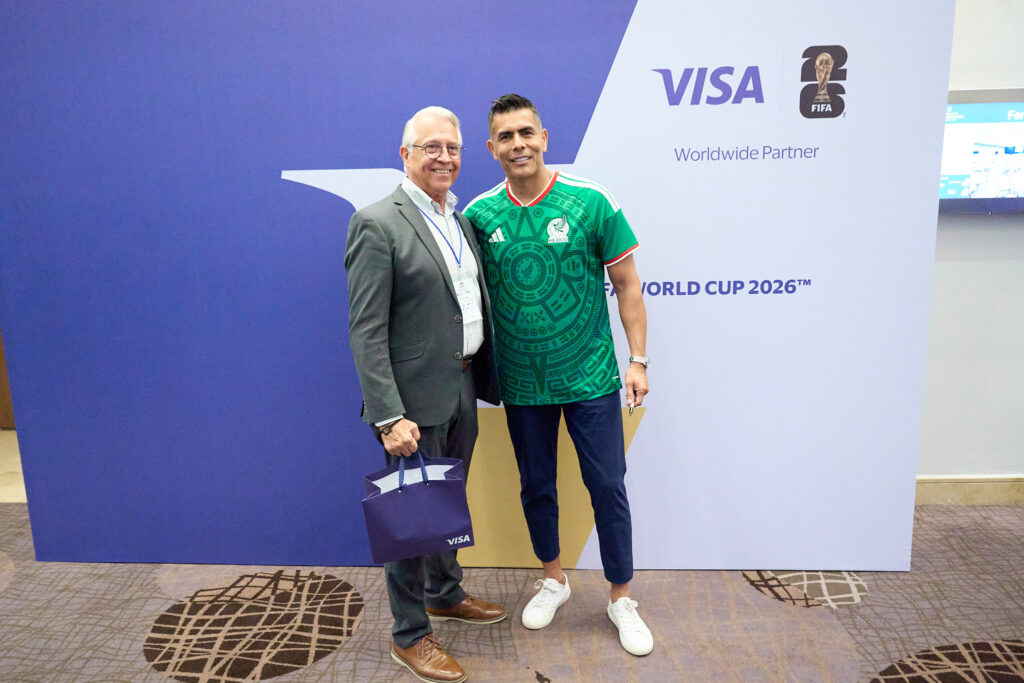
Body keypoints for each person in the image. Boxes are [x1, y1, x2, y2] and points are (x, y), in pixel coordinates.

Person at [463, 94, 654, 656]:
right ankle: (554, 579)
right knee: (537, 487)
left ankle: (621, 598)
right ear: (492, 148)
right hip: (523, 385)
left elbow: (628, 285)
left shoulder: (592, 201)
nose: (518, 144)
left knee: (607, 487)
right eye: (506, 136)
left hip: (591, 378)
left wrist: (637, 360)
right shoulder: (478, 215)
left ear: (544, 137)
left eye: (527, 132)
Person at [345, 106, 507, 683]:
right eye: (431, 147)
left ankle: (444, 593)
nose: (444, 157)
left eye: (453, 148)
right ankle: (410, 635)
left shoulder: (460, 221)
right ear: (405, 154)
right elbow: (366, 330)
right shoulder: (376, 223)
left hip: (462, 385)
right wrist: (388, 415)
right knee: (411, 516)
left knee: (446, 501)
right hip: (410, 402)